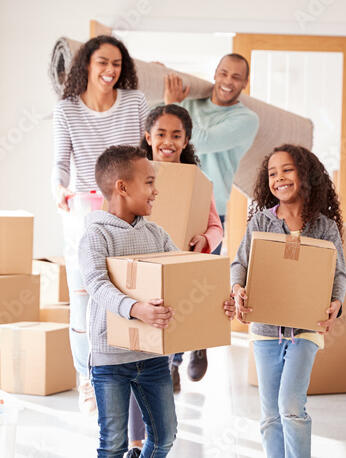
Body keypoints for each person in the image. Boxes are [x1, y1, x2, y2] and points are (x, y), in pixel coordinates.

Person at [79, 145, 237, 457]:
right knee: (113, 443)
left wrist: (219, 304)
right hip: (110, 357)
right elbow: (96, 283)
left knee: (165, 436)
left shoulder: (156, 234)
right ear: (122, 187)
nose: (156, 191)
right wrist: (136, 309)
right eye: (149, 182)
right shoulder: (96, 235)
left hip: (151, 355)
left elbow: (182, 277)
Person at [51, 34, 148, 418]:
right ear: (86, 66)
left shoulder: (135, 102)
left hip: (128, 213)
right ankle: (86, 380)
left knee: (126, 296)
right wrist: (58, 187)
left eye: (117, 64)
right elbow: (60, 162)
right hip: (84, 213)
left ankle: (128, 380)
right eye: (103, 63)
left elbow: (148, 152)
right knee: (84, 304)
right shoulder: (67, 110)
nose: (110, 71)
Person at [230, 144, 346, 458]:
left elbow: (338, 274)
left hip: (305, 331)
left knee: (290, 407)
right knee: (270, 415)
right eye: (272, 173)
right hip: (266, 331)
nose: (278, 178)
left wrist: (336, 302)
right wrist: (237, 287)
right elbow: (240, 263)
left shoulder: (324, 227)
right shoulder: (260, 223)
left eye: (287, 170)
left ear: (305, 175)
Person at [162, 53, 260, 381]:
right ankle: (172, 364)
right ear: (215, 74)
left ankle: (198, 343)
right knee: (171, 287)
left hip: (211, 210)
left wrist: (174, 105)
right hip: (175, 202)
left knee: (199, 288)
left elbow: (200, 139)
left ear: (244, 83)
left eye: (236, 77)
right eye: (223, 73)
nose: (228, 81)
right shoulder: (193, 104)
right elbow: (163, 131)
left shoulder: (247, 119)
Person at [140, 104, 225, 393]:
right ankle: (170, 366)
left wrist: (205, 240)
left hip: (183, 264)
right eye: (161, 134)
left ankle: (183, 356)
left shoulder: (196, 181)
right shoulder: (135, 175)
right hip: (147, 265)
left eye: (176, 135)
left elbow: (216, 227)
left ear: (185, 141)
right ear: (148, 137)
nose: (168, 141)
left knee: (177, 316)